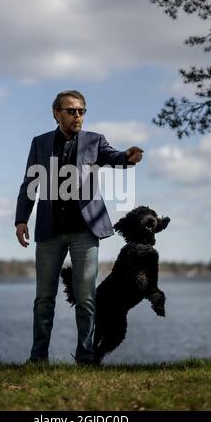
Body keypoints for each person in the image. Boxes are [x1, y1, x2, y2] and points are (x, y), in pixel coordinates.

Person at [15, 90, 143, 365]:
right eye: (71, 111)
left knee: (85, 298)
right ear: (56, 113)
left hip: (86, 231)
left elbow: (113, 156)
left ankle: (86, 357)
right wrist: (21, 219)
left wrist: (128, 158)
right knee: (43, 298)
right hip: (49, 232)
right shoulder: (40, 143)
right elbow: (29, 183)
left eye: (82, 111)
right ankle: (38, 358)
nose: (78, 116)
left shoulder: (95, 141)